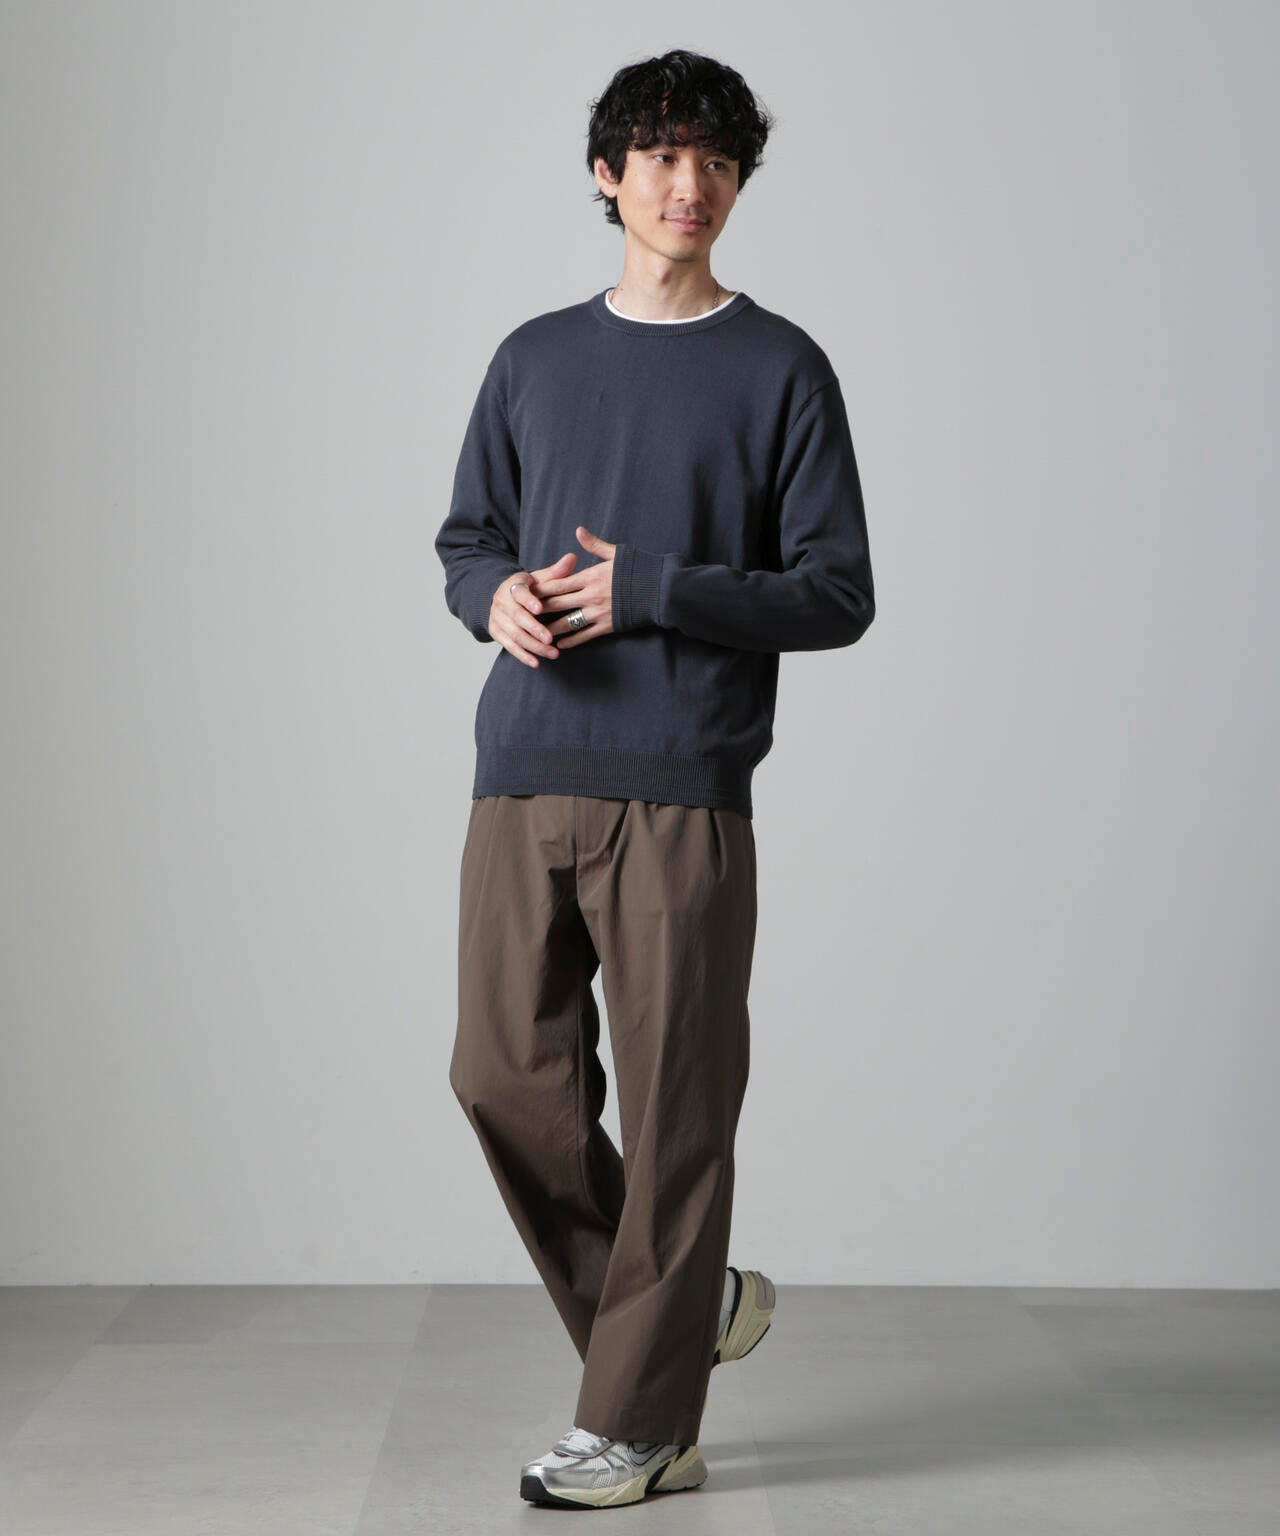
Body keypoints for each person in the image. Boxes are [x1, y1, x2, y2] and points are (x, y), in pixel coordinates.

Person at [434, 47, 875, 1511]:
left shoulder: (781, 367)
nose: (693, 185)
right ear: (607, 174)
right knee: (500, 1078)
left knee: (682, 1114)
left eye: (720, 161)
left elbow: (837, 593)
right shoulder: (532, 357)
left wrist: (657, 590)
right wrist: (493, 597)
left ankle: (639, 1426)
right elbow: (467, 539)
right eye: (666, 155)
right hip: (524, 767)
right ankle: (693, 1308)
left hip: (683, 782)